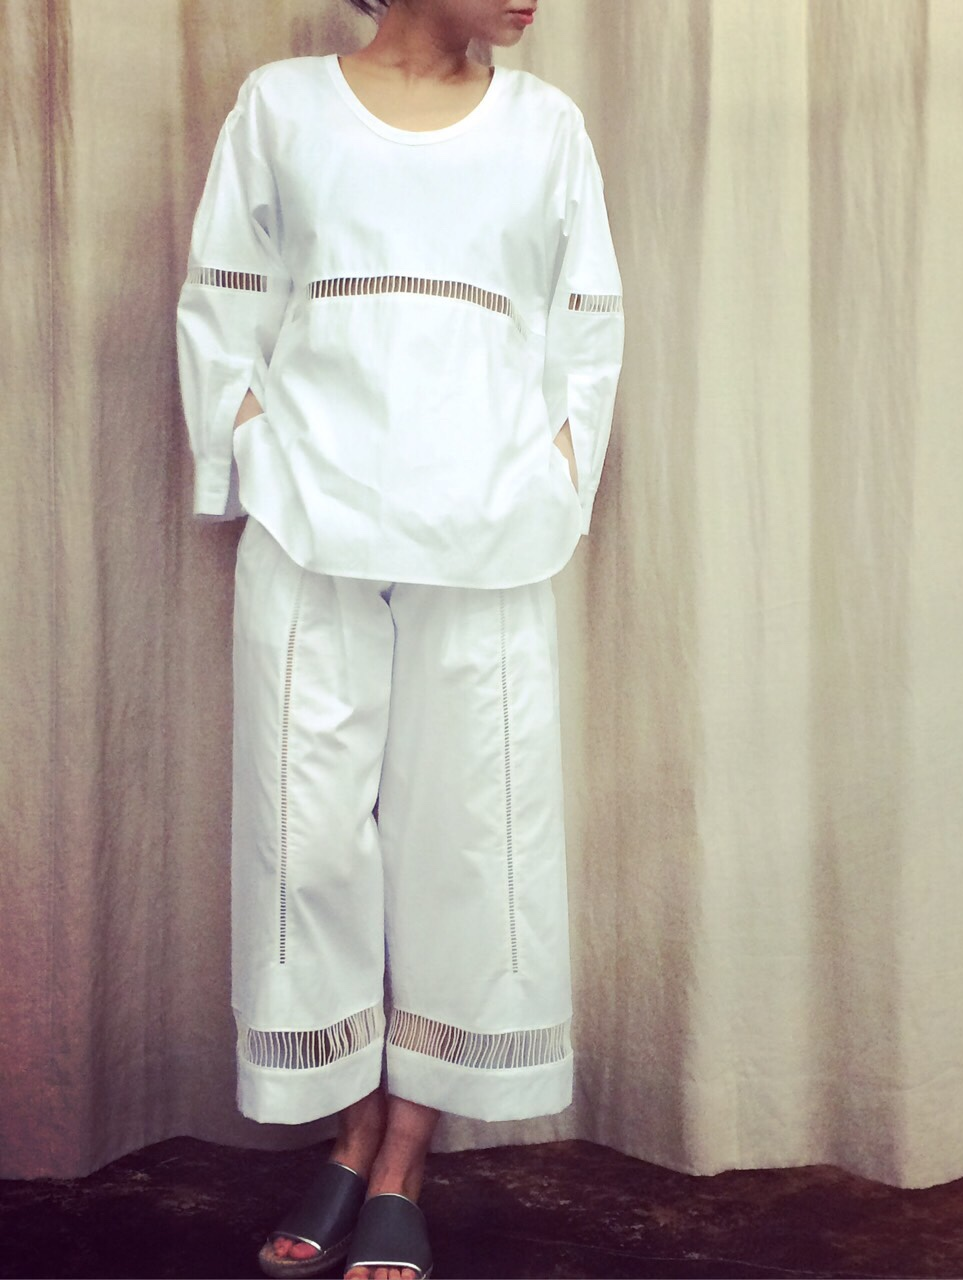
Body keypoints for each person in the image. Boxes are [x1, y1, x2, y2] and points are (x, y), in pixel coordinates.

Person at [175, 0, 624, 1275]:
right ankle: (345, 1125)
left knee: (470, 836)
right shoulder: (281, 106)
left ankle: (400, 1156)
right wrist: (251, 452)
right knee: (305, 831)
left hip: (489, 532)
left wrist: (552, 475)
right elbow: (222, 297)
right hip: (310, 514)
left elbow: (587, 326)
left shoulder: (545, 126)